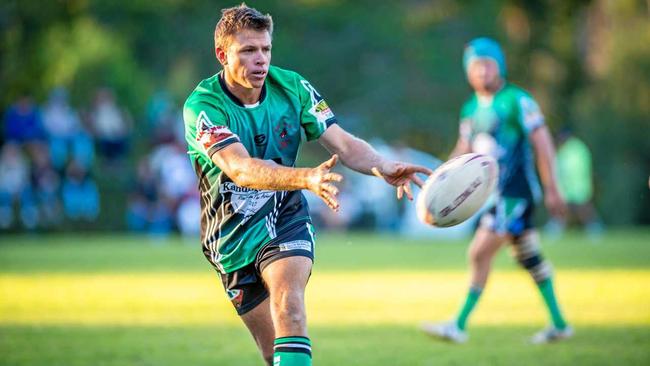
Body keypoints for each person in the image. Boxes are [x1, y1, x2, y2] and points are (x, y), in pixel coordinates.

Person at [182, 5, 431, 365]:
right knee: (274, 354)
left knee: (291, 308)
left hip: (286, 216)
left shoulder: (294, 88)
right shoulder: (202, 106)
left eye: (265, 49)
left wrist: (383, 165)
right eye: (248, 51)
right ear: (222, 54)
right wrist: (305, 178)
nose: (260, 60)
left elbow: (343, 144)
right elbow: (241, 168)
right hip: (230, 237)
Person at [421, 37, 572, 344]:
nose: (481, 71)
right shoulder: (470, 108)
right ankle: (559, 325)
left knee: (478, 253)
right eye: (475, 66)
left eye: (487, 64)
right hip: (494, 196)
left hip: (515, 193)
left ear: (499, 66)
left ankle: (458, 325)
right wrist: (438, 180)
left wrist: (553, 188)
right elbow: (463, 151)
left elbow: (542, 143)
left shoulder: (518, 100)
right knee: (528, 256)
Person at [545, 128, 603, 239]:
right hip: (569, 187)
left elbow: (573, 168)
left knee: (584, 209)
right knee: (563, 209)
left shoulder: (575, 149)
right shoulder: (569, 149)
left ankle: (595, 229)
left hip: (576, 186)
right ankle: (555, 229)